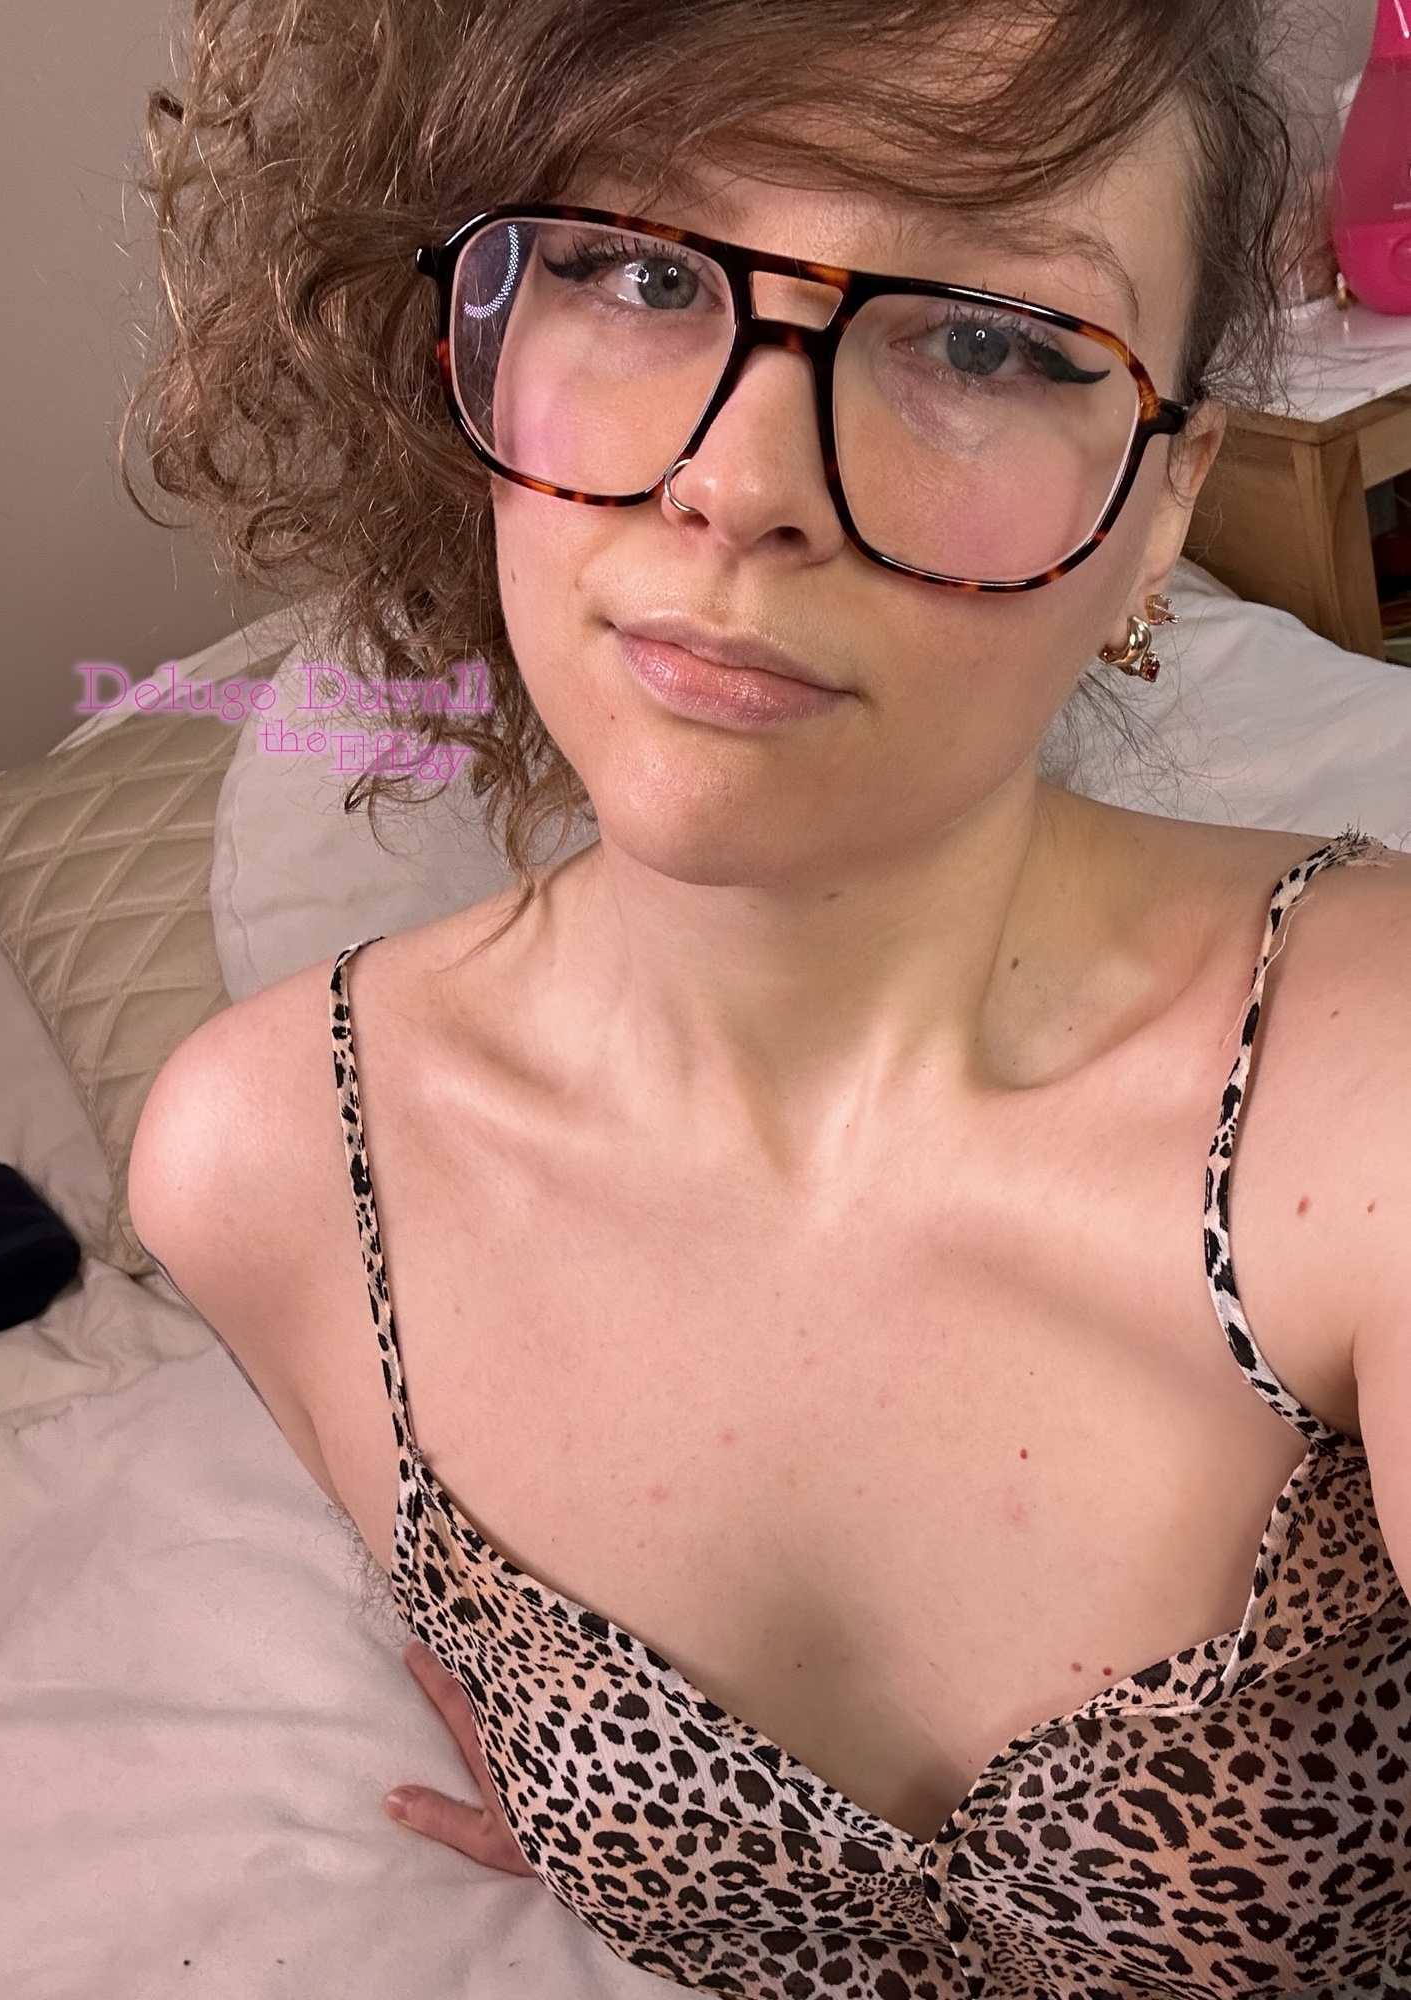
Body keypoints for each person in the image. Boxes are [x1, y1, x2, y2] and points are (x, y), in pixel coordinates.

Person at [126, 1, 1411, 1993]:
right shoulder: (264, 1173)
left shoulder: (1365, 1097)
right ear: (476, 342)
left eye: (980, 341)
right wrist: (621, 1808)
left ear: (1162, 507)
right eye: (636, 275)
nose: (740, 484)